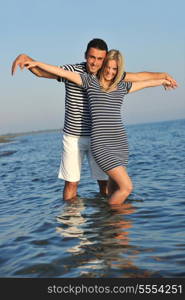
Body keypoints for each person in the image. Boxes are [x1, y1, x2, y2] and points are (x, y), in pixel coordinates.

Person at [11, 39, 177, 201]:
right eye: (92, 57)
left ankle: (104, 221)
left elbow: (139, 77)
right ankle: (72, 223)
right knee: (72, 183)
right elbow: (45, 72)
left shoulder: (109, 74)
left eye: (99, 59)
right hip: (74, 135)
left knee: (104, 184)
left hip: (99, 137)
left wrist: (163, 76)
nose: (95, 62)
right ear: (85, 55)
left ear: (104, 59)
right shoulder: (75, 71)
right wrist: (29, 60)